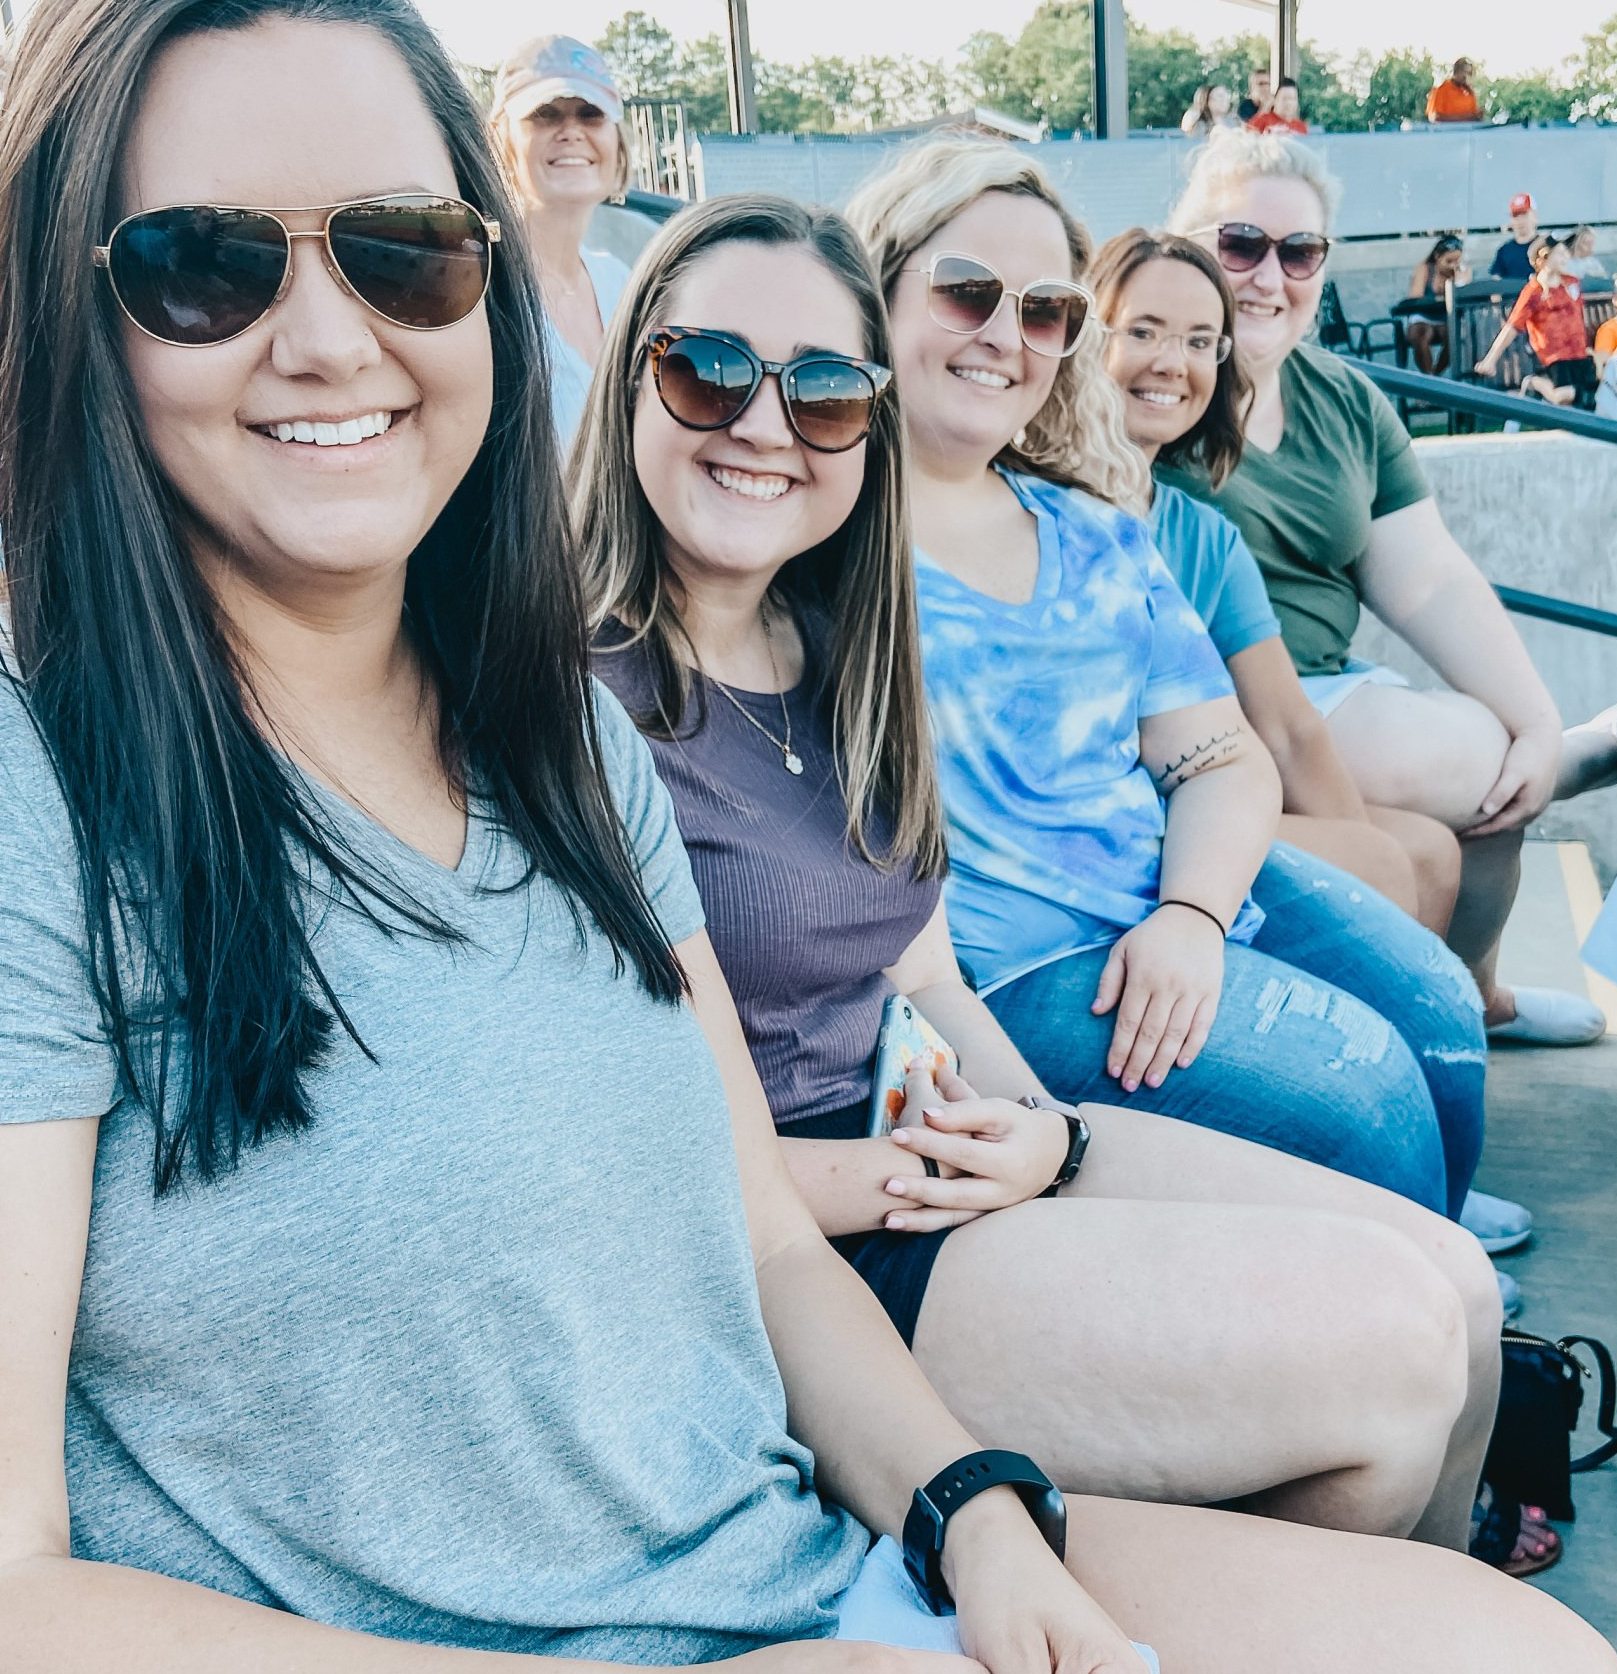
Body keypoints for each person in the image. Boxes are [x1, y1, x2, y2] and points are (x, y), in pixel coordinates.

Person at [0, 0, 1197, 1673]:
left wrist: (978, 1519)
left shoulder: (560, 732)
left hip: (806, 1562)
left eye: (402, 250)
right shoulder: (41, 791)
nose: (330, 339)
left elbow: (771, 1247)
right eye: (206, 260)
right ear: (69, 306)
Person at [577, 191, 1506, 1556]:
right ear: (627, 376)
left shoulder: (836, 640)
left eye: (825, 391)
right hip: (803, 1242)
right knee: (1397, 1351)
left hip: (930, 1135)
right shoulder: (574, 696)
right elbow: (676, 1170)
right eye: (705, 368)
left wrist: (1040, 1130)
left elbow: (925, 962)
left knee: (1462, 1287)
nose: (767, 425)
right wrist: (991, 1161)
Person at [842, 138, 1502, 1251]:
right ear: (881, 287)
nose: (1007, 335)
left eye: (1045, 308)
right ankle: (1415, 1305)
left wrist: (1191, 917)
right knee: (1370, 1103)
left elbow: (1225, 756)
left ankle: (1430, 1296)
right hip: (1017, 973)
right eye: (967, 293)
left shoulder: (1093, 530)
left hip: (1167, 903)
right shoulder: (825, 535)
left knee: (1442, 1017)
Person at [1166, 128, 1607, 1049]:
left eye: (1298, 252)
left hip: (1319, 687)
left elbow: (1429, 579)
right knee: (1481, 768)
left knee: (1495, 794)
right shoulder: (1149, 385)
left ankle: (1477, 998)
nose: (1265, 276)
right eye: (1237, 244)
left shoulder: (1342, 401)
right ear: (1187, 246)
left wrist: (1526, 719)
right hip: (1208, 708)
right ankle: (1582, 757)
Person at [1090, 226, 1462, 938]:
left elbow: (1291, 729)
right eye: (1143, 331)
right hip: (1119, 819)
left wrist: (1359, 852)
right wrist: (1363, 865)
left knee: (1427, 855)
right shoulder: (1038, 507)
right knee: (1383, 866)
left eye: (1200, 342)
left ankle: (1431, 1023)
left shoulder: (1201, 534)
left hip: (1201, 790)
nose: (1172, 362)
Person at [491, 31, 632, 449]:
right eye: (545, 114)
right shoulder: (484, 293)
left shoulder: (621, 283)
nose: (571, 131)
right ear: (503, 139)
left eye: (591, 114)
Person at [1475, 236, 1596, 409]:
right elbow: (1513, 326)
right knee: (1564, 396)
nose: (1566, 258)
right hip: (1554, 357)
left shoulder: (1571, 282)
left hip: (1578, 353)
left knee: (1593, 391)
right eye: (1560, 254)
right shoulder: (1534, 292)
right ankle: (1535, 382)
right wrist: (1490, 360)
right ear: (1543, 258)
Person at [1403, 233, 1471, 375]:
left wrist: (1457, 281)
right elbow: (1415, 298)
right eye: (1449, 261)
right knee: (1420, 335)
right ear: (1437, 257)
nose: (1453, 265)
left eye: (1457, 261)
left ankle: (1435, 376)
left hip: (1446, 319)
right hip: (1423, 316)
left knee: (1453, 337)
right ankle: (1428, 377)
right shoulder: (1425, 269)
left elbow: (1463, 296)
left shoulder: (1462, 271)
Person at [1489, 192, 1541, 281]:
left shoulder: (1545, 247)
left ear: (1535, 216)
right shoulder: (1504, 250)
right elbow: (1496, 282)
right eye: (1516, 216)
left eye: (1524, 214)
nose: (1520, 220)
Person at [1426, 59, 1482, 124]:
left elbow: (1474, 116)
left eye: (1469, 73)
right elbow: (1434, 117)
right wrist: (1466, 118)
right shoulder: (1442, 88)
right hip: (1446, 132)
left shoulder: (1469, 93)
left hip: (1468, 133)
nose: (1466, 76)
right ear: (1456, 72)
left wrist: (1478, 116)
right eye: (1464, 72)